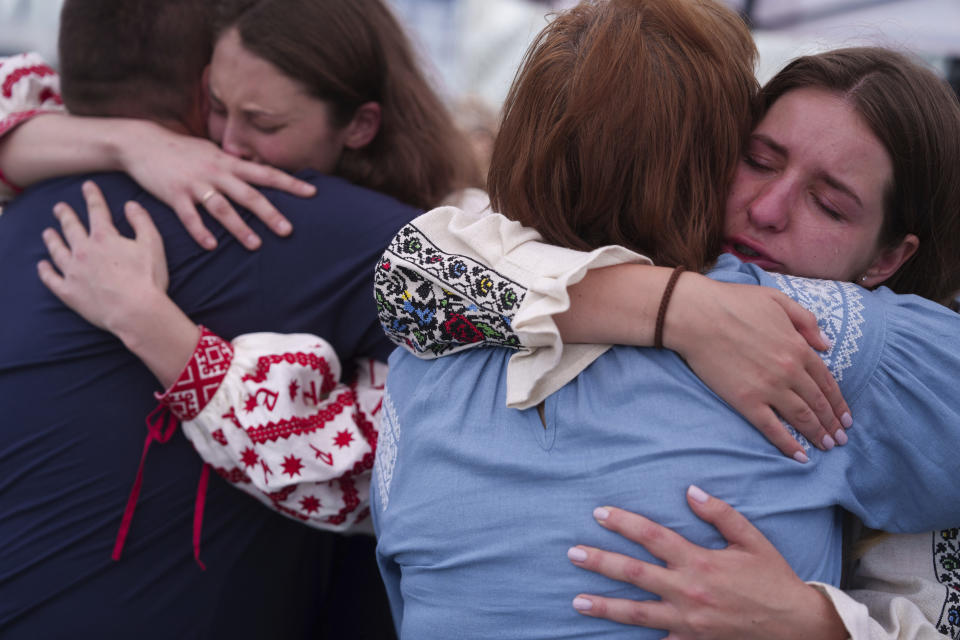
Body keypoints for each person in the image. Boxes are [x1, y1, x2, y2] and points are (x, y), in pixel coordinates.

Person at [367, 2, 960, 637]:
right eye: (757, 160)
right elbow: (410, 272)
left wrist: (815, 622)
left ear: (892, 256)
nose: (767, 208)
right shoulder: (807, 324)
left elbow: (413, 270)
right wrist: (679, 308)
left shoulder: (435, 341)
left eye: (828, 203)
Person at [0, 0, 423, 637]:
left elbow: (402, 465)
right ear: (206, 78)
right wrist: (134, 142)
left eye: (261, 119)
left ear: (361, 124)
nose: (227, 144)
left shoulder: (370, 237)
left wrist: (165, 336)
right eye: (222, 109)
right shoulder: (341, 234)